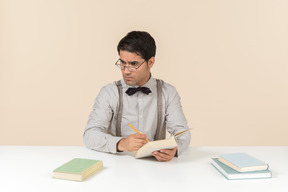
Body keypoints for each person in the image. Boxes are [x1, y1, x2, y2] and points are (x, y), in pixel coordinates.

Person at [83, 31, 191, 162]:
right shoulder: (109, 92)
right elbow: (90, 134)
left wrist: (175, 149)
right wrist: (121, 143)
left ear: (150, 62)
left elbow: (183, 133)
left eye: (134, 64)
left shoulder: (168, 92)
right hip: (116, 166)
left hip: (156, 167)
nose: (126, 70)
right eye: (122, 63)